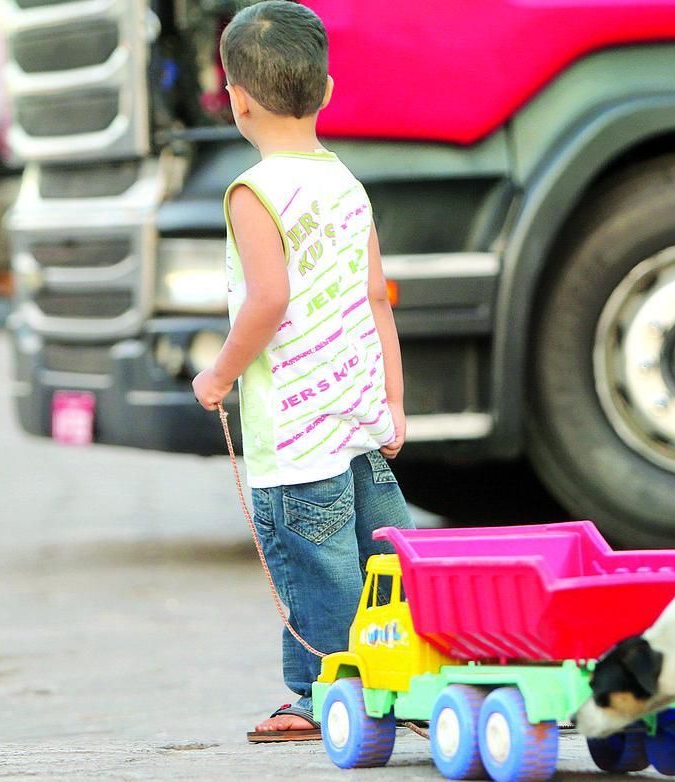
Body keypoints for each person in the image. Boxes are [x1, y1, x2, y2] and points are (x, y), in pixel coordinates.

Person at [191, 0, 414, 743]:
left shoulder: (254, 194)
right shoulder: (346, 183)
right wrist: (394, 401)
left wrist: (219, 375)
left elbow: (268, 300)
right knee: (381, 565)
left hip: (297, 431)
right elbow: (376, 298)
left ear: (237, 99)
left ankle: (331, 695)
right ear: (325, 91)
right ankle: (388, 675)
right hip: (358, 415)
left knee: (315, 568)